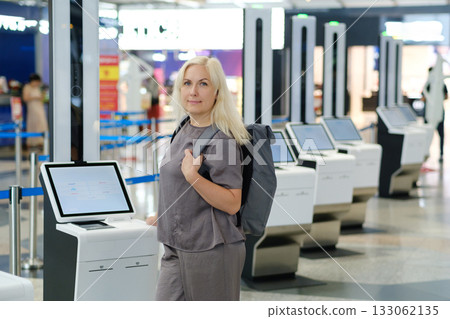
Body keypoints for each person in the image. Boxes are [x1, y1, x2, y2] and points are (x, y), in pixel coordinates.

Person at [146, 56, 250, 301]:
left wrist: (194, 177)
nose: (193, 91)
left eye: (203, 84)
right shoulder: (183, 127)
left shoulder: (222, 139)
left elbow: (233, 202)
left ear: (217, 92)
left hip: (211, 249)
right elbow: (178, 187)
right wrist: (165, 215)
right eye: (187, 83)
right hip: (175, 245)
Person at [422, 66, 448, 162]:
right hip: (429, 113)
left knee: (440, 133)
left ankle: (441, 154)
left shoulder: (441, 84)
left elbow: (446, 96)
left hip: (438, 113)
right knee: (428, 134)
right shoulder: (428, 85)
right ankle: (425, 152)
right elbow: (423, 97)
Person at [22, 73, 48, 151]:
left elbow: (43, 98)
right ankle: (31, 143)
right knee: (33, 125)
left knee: (41, 124)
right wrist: (36, 97)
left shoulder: (39, 88)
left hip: (40, 108)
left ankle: (41, 143)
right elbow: (25, 98)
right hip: (32, 109)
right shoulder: (27, 87)